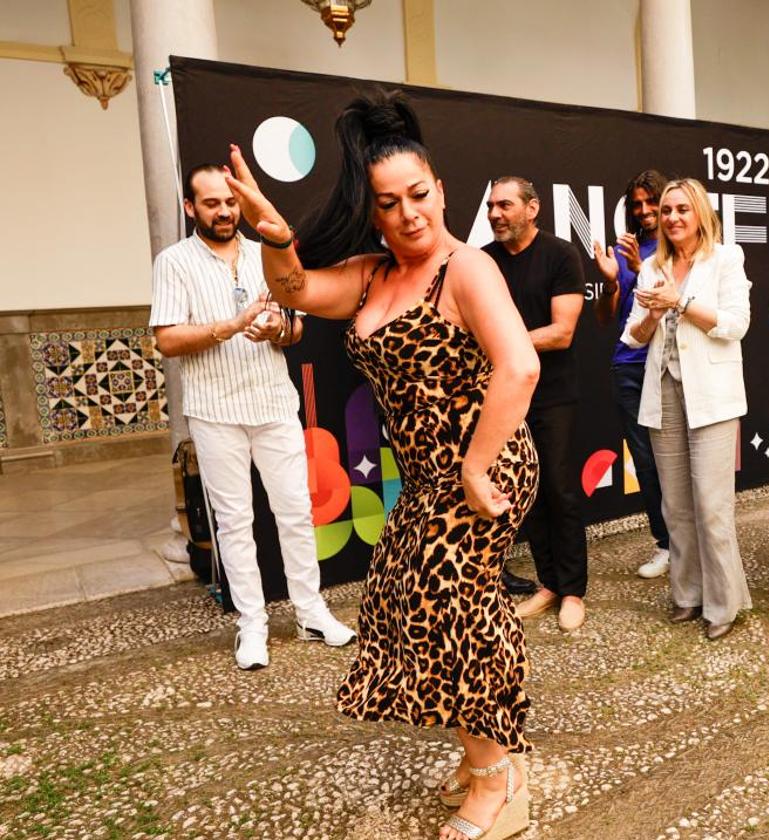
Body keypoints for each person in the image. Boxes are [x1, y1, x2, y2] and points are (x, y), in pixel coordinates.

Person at [224, 91, 539, 840]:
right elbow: (295, 288)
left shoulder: (466, 271)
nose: (409, 214)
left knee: (458, 613)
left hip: (483, 470)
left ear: (442, 191)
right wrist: (274, 236)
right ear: (372, 212)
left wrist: (474, 468)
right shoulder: (370, 276)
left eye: (419, 195)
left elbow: (519, 367)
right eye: (389, 202)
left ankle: (499, 780)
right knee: (411, 611)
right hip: (429, 479)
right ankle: (481, 754)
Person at [150, 164, 355, 672]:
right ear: (190, 208)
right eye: (211, 203)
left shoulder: (268, 252)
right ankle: (253, 623)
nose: (223, 211)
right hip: (215, 412)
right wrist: (231, 326)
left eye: (229, 202)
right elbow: (167, 340)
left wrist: (278, 332)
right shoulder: (174, 262)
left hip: (274, 404)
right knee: (236, 522)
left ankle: (310, 612)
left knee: (295, 512)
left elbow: (297, 328)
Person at [620, 177, 753, 641]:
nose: (673, 217)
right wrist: (654, 315)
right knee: (675, 505)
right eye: (667, 210)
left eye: (682, 209)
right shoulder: (652, 268)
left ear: (700, 214)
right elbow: (633, 336)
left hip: (712, 396)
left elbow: (736, 324)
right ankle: (687, 594)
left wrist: (682, 302)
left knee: (712, 506)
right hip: (663, 394)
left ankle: (723, 603)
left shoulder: (726, 259)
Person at [483, 177, 590, 632]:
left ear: (532, 208)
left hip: (553, 395)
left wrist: (504, 345)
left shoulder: (561, 255)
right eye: (490, 206)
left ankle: (573, 592)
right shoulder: (482, 263)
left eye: (504, 205)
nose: (494, 214)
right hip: (502, 397)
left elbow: (562, 331)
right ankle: (548, 584)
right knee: (525, 497)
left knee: (561, 491)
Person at [593, 170, 672, 579]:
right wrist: (610, 283)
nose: (643, 211)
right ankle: (666, 545)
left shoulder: (681, 246)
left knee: (676, 459)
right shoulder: (621, 251)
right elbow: (607, 317)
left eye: (650, 202)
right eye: (636, 204)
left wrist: (645, 268)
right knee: (644, 461)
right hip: (628, 366)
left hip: (669, 365)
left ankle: (690, 543)